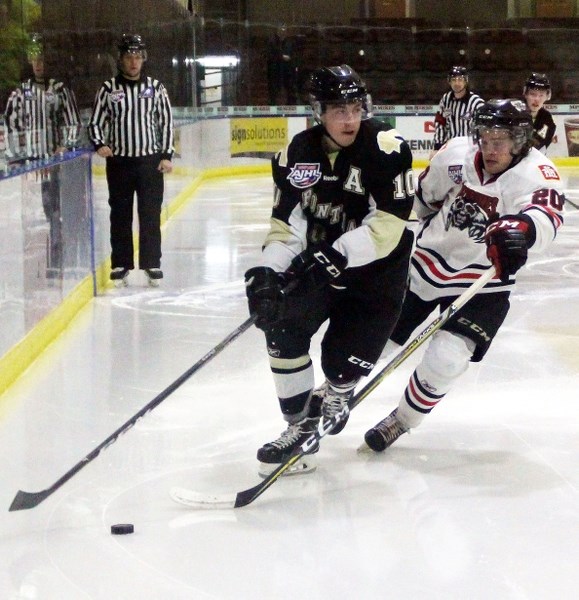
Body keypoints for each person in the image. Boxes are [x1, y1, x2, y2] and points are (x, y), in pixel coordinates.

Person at [363, 99, 565, 452]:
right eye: (485, 138)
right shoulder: (455, 154)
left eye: (500, 140)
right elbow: (423, 200)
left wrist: (524, 229)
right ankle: (334, 391)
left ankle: (402, 420)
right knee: (376, 337)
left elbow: (545, 216)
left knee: (447, 359)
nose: (490, 148)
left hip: (484, 281)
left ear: (520, 140)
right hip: (426, 263)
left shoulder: (538, 173)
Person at [244, 65, 416, 475]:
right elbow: (286, 226)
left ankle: (338, 390)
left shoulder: (388, 147)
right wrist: (269, 271)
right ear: (318, 111)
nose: (349, 119)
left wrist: (337, 253)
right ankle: (300, 427)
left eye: (355, 108)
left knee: (342, 361)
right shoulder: (295, 155)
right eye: (338, 109)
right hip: (320, 265)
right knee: (281, 327)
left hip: (376, 274)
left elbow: (389, 227)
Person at [88, 33, 174, 287]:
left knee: (150, 214)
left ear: (143, 59)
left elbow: (166, 122)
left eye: (138, 57)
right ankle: (121, 264)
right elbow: (95, 123)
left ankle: (152, 263)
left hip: (150, 162)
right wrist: (100, 144)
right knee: (120, 215)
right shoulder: (108, 89)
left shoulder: (156, 88)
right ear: (120, 60)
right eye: (129, 57)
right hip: (120, 164)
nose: (134, 62)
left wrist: (166, 154)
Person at [3, 33, 81, 277]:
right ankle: (44, 261)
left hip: (55, 166)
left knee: (55, 213)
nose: (39, 63)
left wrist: (64, 147)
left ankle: (57, 262)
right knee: (41, 215)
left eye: (43, 58)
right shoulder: (20, 93)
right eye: (35, 57)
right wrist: (18, 158)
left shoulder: (59, 90)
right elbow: (11, 126)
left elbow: (73, 123)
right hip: (31, 168)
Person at [432, 66, 484, 155]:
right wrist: (437, 147)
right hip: (450, 148)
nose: (457, 83)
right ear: (449, 81)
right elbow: (440, 123)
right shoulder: (446, 99)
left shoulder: (476, 102)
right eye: (453, 80)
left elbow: (483, 127)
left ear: (466, 81)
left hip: (470, 149)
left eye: (460, 80)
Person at [523, 72, 556, 152]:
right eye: (533, 94)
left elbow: (540, 149)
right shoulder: (515, 114)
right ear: (525, 94)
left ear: (547, 97)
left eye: (541, 95)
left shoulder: (547, 119)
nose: (537, 99)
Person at [266, 24, 297, 105]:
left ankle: (290, 106)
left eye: (284, 30)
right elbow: (269, 55)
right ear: (277, 31)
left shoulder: (290, 42)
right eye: (281, 30)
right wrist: (281, 57)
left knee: (289, 88)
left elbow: (293, 56)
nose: (282, 32)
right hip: (275, 70)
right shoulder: (272, 41)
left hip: (287, 71)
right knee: (274, 90)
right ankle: (273, 107)